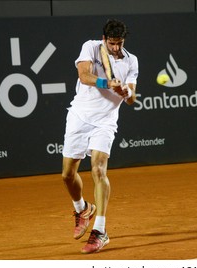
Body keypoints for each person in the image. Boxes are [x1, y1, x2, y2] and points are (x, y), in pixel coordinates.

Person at [61, 19, 138, 254]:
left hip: (105, 122)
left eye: (120, 43)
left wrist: (125, 92)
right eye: (112, 43)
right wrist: (106, 82)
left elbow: (133, 98)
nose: (116, 48)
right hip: (79, 116)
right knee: (67, 175)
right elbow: (84, 75)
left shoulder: (131, 61)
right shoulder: (91, 47)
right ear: (104, 39)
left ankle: (100, 231)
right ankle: (82, 208)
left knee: (98, 169)